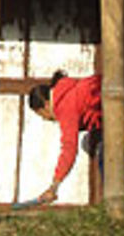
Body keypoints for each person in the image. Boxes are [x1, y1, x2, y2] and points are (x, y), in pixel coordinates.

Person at [28, 69, 102, 204]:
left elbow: (69, 148)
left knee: (104, 153)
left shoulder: (64, 105)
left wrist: (54, 186)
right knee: (89, 143)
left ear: (45, 106)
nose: (46, 119)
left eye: (42, 115)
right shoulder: (68, 91)